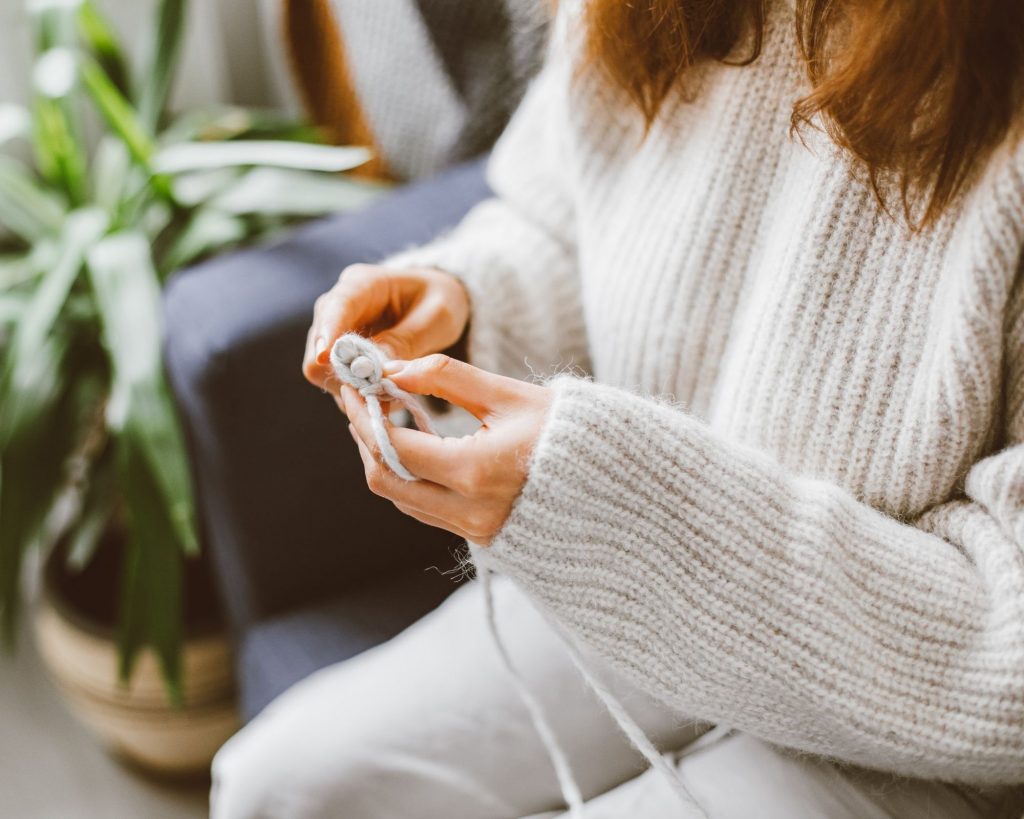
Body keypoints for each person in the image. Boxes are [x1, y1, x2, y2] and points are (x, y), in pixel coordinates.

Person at [210, 0, 1024, 815]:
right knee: (274, 789)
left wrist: (615, 504)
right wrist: (467, 310)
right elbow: (557, 220)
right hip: (635, 591)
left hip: (925, 723)